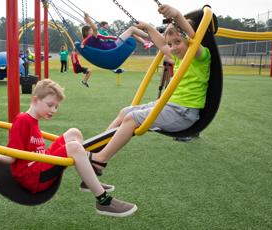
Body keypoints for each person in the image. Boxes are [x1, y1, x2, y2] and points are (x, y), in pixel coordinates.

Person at [0, 79, 137, 217]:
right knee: (74, 147)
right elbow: (12, 156)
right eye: (50, 105)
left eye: (56, 106)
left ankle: (88, 179)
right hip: (33, 177)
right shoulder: (22, 121)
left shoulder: (33, 120)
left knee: (74, 133)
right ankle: (103, 201)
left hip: (40, 163)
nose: (54, 110)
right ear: (35, 100)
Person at [89, 4, 211, 174]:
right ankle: (98, 147)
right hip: (170, 106)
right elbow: (162, 44)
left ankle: (100, 160)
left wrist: (176, 15)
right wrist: (148, 27)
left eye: (178, 42)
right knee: (125, 112)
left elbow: (192, 37)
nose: (174, 47)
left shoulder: (200, 56)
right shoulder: (178, 58)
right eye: (171, 43)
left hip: (183, 112)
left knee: (131, 118)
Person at [81, 12, 149, 50]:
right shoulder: (91, 38)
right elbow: (95, 29)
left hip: (112, 45)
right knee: (132, 29)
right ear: (86, 32)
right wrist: (88, 18)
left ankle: (146, 42)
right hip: (114, 45)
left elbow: (94, 31)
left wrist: (87, 21)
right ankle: (150, 36)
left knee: (132, 32)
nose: (92, 30)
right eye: (91, 30)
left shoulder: (88, 41)